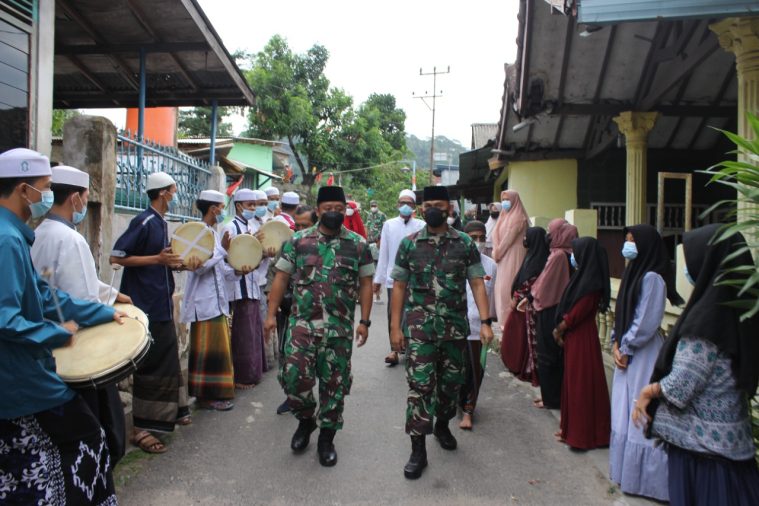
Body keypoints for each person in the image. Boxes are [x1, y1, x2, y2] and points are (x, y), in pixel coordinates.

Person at [0, 148, 124, 504]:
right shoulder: (7, 240)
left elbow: (46, 295)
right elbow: (4, 317)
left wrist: (103, 313)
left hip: (26, 370)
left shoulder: (18, 235)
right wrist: (58, 333)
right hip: (19, 379)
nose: (48, 196)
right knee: (88, 440)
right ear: (24, 190)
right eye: (45, 187)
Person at [633, 224, 759, 506]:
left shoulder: (706, 321)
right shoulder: (738, 311)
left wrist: (647, 393)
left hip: (704, 455)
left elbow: (681, 385)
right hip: (733, 445)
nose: (686, 269)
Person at [265, 186, 374, 468]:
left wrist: (364, 321)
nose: (334, 213)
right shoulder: (298, 241)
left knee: (334, 386)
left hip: (338, 330)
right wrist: (269, 315)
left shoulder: (358, 245)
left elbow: (365, 283)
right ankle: (305, 420)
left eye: (339, 208)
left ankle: (327, 438)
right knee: (293, 378)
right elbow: (280, 278)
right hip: (302, 325)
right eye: (328, 208)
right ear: (318, 208)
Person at [390, 185, 494, 480]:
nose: (433, 208)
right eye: (428, 204)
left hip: (454, 330)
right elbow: (398, 286)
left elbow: (477, 282)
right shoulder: (409, 244)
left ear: (450, 208)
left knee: (451, 387)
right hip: (420, 331)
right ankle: (418, 449)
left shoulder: (464, 244)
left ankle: (443, 424)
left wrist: (485, 321)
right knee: (420, 388)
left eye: (439, 204)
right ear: (422, 209)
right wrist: (394, 329)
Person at [31, 164, 132, 465]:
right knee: (98, 427)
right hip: (77, 344)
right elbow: (80, 296)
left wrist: (113, 294)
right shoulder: (70, 239)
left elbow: (59, 285)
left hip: (51, 342)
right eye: (86, 197)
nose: (85, 205)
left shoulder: (38, 233)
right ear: (75, 198)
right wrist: (107, 310)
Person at [111, 170, 191, 453]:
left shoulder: (161, 222)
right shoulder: (144, 220)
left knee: (168, 357)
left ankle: (174, 412)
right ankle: (143, 427)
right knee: (152, 363)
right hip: (144, 305)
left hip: (161, 303)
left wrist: (175, 264)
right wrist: (158, 258)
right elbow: (117, 256)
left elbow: (160, 260)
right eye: (173, 190)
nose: (175, 195)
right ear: (162, 193)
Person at [609, 224, 682, 501]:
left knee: (639, 412)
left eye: (632, 241)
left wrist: (626, 345)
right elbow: (622, 314)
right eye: (627, 240)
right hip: (626, 352)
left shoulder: (652, 278)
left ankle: (646, 481)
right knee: (624, 409)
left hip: (643, 354)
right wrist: (616, 341)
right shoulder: (634, 272)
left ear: (647, 246)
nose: (628, 246)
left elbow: (646, 321)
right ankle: (626, 473)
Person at [552, 237, 611, 450]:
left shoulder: (591, 283)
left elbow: (578, 312)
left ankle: (582, 436)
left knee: (581, 384)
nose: (573, 257)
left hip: (582, 338)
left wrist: (560, 328)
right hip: (576, 337)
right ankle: (570, 429)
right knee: (572, 382)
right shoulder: (581, 278)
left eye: (576, 253)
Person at [181, 190, 238, 411]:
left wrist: (238, 272)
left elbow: (221, 270)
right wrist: (222, 251)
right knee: (208, 352)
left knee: (218, 351)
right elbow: (200, 266)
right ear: (213, 208)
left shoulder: (213, 233)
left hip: (216, 302)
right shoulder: (196, 233)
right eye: (222, 208)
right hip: (203, 303)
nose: (223, 212)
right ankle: (206, 397)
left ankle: (213, 394)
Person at [270, 205, 318, 416]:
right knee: (287, 354)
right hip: (289, 309)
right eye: (296, 225)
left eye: (304, 225)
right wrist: (273, 306)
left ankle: (312, 400)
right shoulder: (287, 245)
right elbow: (276, 276)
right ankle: (291, 396)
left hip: (316, 313)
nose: (299, 230)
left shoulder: (322, 246)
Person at [223, 188, 269, 389]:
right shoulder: (229, 228)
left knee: (253, 331)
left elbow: (255, 257)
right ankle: (243, 376)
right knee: (243, 333)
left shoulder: (251, 227)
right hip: (238, 286)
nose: (253, 208)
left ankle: (253, 372)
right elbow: (226, 256)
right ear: (239, 205)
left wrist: (265, 253)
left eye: (255, 204)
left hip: (252, 283)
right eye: (250, 205)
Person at [373, 189, 425, 366]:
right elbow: (384, 253)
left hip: (415, 278)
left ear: (414, 207)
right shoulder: (389, 224)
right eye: (402, 203)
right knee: (393, 313)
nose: (405, 206)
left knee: (412, 313)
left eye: (409, 204)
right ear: (397, 205)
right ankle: (394, 349)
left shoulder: (421, 226)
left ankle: (410, 348)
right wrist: (378, 280)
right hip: (392, 277)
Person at [530, 219, 577, 409]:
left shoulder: (558, 256)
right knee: (553, 356)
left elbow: (543, 286)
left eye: (551, 231)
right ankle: (550, 397)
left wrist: (532, 294)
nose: (548, 235)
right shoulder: (567, 254)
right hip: (558, 309)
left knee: (547, 356)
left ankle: (551, 399)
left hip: (549, 309)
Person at [458, 220, 497, 430]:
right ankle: (458, 401)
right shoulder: (455, 261)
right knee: (457, 372)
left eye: (482, 238)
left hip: (479, 329)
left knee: (476, 372)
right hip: (455, 327)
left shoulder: (491, 265)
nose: (478, 242)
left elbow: (492, 298)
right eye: (473, 238)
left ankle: (468, 410)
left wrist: (489, 323)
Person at [501, 227, 549, 385]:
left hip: (527, 309)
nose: (524, 240)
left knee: (524, 342)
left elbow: (533, 284)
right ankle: (515, 365)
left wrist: (517, 297)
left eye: (526, 237)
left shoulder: (542, 260)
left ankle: (525, 368)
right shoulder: (531, 256)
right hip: (519, 308)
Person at [491, 190, 528, 330]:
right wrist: (496, 251)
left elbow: (508, 239)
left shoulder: (519, 217)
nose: (505, 202)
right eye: (503, 199)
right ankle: (503, 322)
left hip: (513, 255)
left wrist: (497, 253)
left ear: (515, 200)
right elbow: (495, 235)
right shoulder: (503, 215)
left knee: (508, 288)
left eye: (508, 199)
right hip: (501, 257)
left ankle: (509, 324)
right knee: (500, 288)